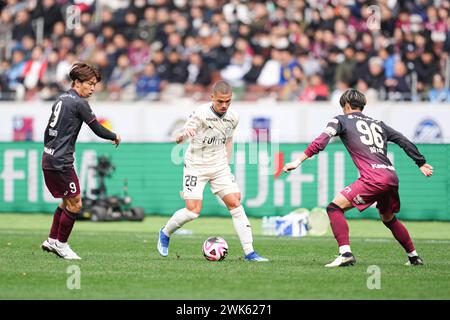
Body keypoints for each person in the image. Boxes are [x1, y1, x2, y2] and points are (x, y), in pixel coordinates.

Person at [283, 89, 433, 267]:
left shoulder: (340, 120)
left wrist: (298, 161)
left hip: (373, 178)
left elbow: (321, 141)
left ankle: (345, 253)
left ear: (346, 106)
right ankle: (414, 257)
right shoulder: (379, 124)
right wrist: (420, 162)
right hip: (390, 176)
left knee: (334, 208)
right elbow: (403, 140)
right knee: (388, 217)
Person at [157, 80, 268, 262]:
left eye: (228, 101)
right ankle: (165, 232)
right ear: (212, 98)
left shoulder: (233, 116)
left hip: (219, 166)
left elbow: (229, 139)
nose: (224, 105)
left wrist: (227, 162)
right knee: (193, 211)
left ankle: (250, 253)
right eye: (220, 101)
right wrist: (181, 136)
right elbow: (187, 129)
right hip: (196, 166)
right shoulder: (201, 113)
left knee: (235, 202)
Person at [40, 62, 121, 260]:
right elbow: (97, 129)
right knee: (75, 205)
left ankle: (51, 240)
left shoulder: (61, 99)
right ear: (77, 82)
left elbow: (47, 132)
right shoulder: (79, 103)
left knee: (66, 202)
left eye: (95, 84)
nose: (93, 88)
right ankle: (61, 244)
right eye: (90, 84)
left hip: (49, 157)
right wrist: (114, 136)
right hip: (61, 162)